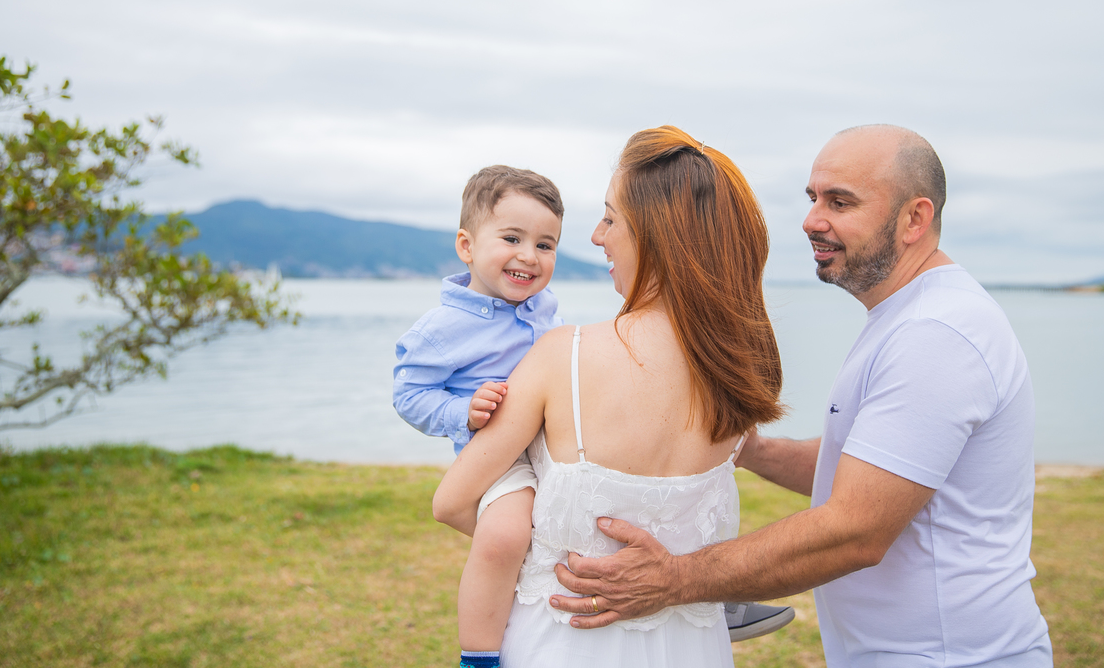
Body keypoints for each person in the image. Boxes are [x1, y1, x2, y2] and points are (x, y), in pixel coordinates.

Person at [550, 124, 1054, 667]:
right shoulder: (909, 316)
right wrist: (754, 450)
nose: (812, 220)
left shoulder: (936, 333)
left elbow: (856, 530)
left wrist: (674, 579)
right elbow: (868, 467)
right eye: (813, 198)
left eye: (840, 202)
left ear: (915, 218)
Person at [432, 127, 787, 667]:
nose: (597, 237)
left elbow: (452, 502)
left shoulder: (564, 356)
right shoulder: (739, 372)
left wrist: (544, 556)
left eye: (610, 218)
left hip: (564, 642)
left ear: (655, 234)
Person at [394, 165, 566, 668]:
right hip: (499, 459)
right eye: (512, 238)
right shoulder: (442, 328)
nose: (529, 256)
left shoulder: (544, 308)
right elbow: (409, 395)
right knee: (504, 537)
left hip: (557, 444)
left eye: (545, 244)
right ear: (466, 246)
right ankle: (480, 655)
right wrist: (461, 412)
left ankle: (696, 601)